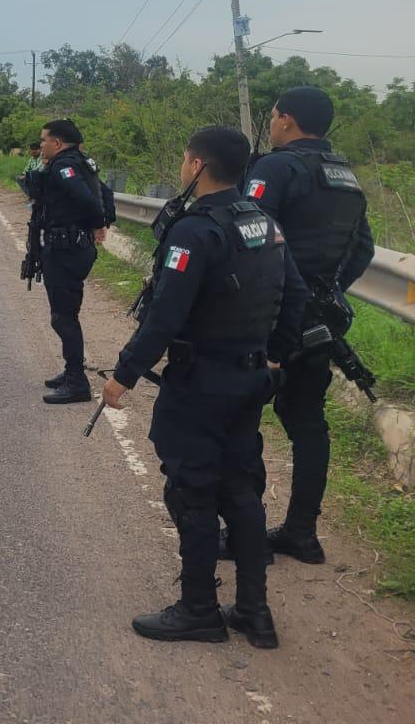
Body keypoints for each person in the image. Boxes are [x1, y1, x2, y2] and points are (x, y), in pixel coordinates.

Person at [102, 126, 306, 647]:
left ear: (197, 165)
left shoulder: (196, 230)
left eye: (184, 159)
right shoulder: (264, 221)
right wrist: (275, 358)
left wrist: (123, 374)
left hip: (202, 382)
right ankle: (254, 612)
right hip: (251, 377)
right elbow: (295, 294)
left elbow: (165, 316)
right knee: (240, 486)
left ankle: (198, 609)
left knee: (192, 489)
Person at [241, 86, 375, 564]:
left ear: (288, 121)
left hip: (270, 317)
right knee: (307, 423)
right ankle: (301, 531)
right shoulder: (347, 177)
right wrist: (326, 293)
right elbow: (363, 250)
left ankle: (244, 535)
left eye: (275, 116)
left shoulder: (275, 167)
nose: (273, 123)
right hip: (320, 321)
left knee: (240, 416)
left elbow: (252, 239)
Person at [31, 119, 114, 404]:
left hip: (67, 250)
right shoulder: (83, 161)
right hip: (75, 247)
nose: (40, 145)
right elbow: (106, 194)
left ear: (57, 142)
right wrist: (103, 223)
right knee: (66, 314)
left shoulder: (63, 166)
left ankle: (77, 382)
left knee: (63, 317)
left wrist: (98, 222)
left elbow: (88, 200)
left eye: (44, 140)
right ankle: (71, 372)